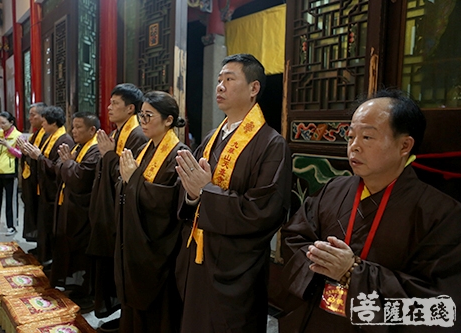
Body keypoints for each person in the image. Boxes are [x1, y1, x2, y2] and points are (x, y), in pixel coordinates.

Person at [280, 89, 461, 332]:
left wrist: (353, 272)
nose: (354, 147)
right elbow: (294, 237)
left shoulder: (440, 213)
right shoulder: (333, 189)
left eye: (367, 137)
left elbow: (440, 304)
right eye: (351, 136)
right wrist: (318, 259)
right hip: (319, 320)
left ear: (404, 145)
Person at [175, 53, 292, 332]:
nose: (220, 86)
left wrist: (206, 192)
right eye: (218, 80)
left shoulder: (271, 145)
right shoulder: (212, 137)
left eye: (229, 79)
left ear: (254, 89)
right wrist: (193, 196)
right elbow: (193, 193)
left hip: (237, 265)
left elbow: (264, 211)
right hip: (200, 254)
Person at [114, 91, 189, 332]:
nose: (143, 122)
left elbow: (168, 203)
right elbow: (127, 183)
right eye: (141, 116)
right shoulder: (146, 149)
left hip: (158, 245)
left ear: (168, 120)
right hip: (136, 237)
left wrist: (133, 180)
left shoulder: (179, 154)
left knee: (159, 312)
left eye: (148, 116)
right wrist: (127, 180)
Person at [86, 83, 147, 322]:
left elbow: (128, 176)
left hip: (122, 210)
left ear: (131, 108)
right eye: (109, 103)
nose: (109, 108)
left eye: (115, 104)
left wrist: (110, 155)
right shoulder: (116, 133)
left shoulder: (137, 135)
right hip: (108, 208)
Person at [50, 112, 101, 310]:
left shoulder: (94, 150)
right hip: (71, 208)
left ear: (92, 130)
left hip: (84, 212)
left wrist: (68, 163)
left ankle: (85, 292)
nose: (74, 131)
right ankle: (74, 285)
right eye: (73, 127)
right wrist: (67, 164)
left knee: (82, 255)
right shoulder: (80, 147)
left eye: (79, 127)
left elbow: (80, 179)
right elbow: (61, 168)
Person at [23, 106, 74, 263]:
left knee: (50, 224)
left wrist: (38, 157)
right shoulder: (48, 137)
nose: (42, 125)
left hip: (53, 190)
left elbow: (57, 167)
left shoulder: (64, 140)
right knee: (42, 222)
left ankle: (48, 255)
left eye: (44, 122)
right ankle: (42, 250)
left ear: (54, 123)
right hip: (43, 188)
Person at [17, 102, 49, 242]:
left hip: (42, 183)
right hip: (32, 180)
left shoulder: (48, 134)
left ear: (43, 116)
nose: (30, 118)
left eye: (33, 115)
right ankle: (37, 243)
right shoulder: (37, 133)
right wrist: (25, 151)